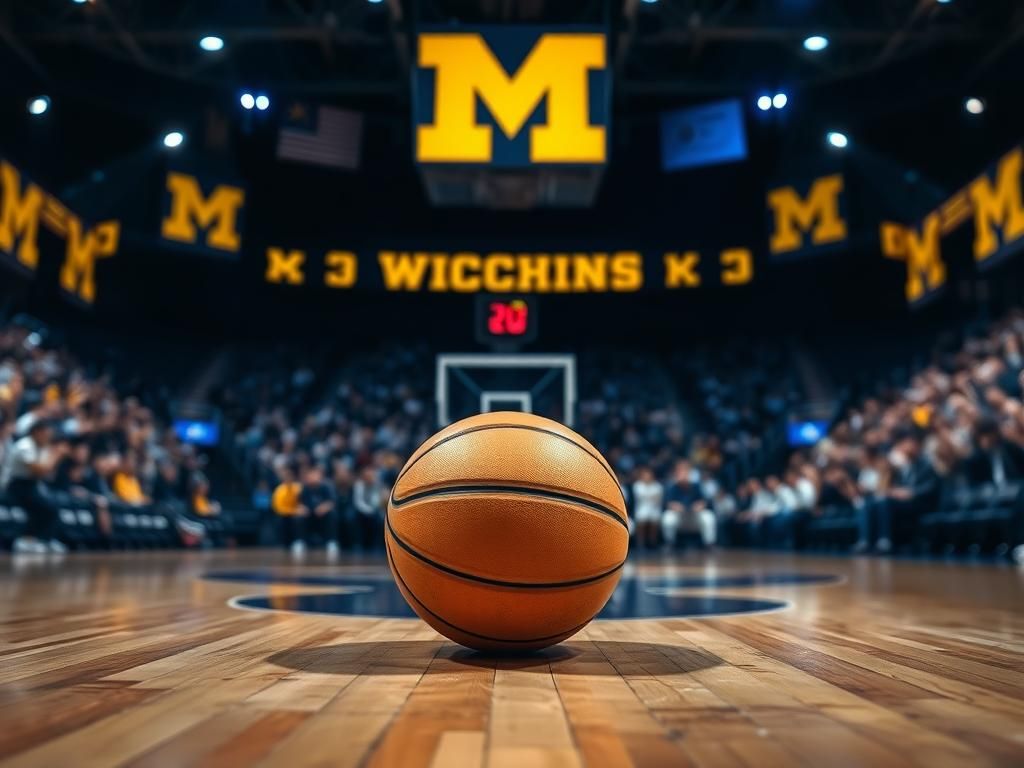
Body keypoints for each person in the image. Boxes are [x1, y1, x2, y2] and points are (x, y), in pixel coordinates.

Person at [1, 420, 69, 553]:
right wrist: (56, 454)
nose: (48, 437)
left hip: (32, 484)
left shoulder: (41, 447)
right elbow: (40, 471)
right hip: (15, 485)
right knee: (44, 506)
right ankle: (27, 540)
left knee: (53, 505)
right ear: (36, 432)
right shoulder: (24, 446)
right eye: (46, 433)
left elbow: (47, 473)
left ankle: (43, 540)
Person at [300, 464, 339, 558]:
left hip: (323, 514)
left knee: (332, 514)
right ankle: (300, 541)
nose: (312, 477)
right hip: (309, 514)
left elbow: (332, 502)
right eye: (310, 475)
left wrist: (324, 507)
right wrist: (302, 508)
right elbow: (299, 503)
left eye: (315, 475)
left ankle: (331, 541)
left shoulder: (326, 486)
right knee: (298, 516)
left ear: (320, 476)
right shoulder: (305, 488)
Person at [272, 465, 307, 555]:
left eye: (290, 476)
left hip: (296, 514)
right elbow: (278, 509)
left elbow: (303, 500)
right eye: (286, 477)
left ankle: (299, 541)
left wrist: (301, 507)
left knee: (300, 519)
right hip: (284, 515)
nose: (288, 479)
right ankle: (283, 544)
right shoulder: (279, 490)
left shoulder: (298, 488)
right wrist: (294, 511)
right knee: (281, 520)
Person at [352, 465, 384, 551]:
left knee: (380, 519)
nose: (369, 478)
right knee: (355, 517)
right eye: (367, 476)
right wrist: (369, 511)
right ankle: (358, 544)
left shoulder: (377, 485)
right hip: (362, 511)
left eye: (371, 476)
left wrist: (372, 510)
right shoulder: (359, 485)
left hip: (373, 510)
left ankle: (376, 545)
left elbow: (376, 500)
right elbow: (358, 502)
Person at [630, 466, 663, 549]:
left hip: (654, 508)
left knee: (655, 518)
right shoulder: (637, 486)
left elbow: (657, 500)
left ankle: (652, 542)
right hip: (641, 508)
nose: (647, 477)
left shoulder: (657, 486)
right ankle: (640, 542)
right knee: (641, 517)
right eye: (645, 475)